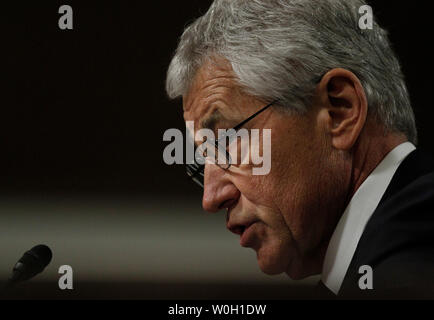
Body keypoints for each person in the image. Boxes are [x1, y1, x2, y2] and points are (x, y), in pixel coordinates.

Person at [165, 0, 434, 298]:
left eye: (227, 142)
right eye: (204, 160)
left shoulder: (407, 272)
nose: (211, 198)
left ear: (339, 111)